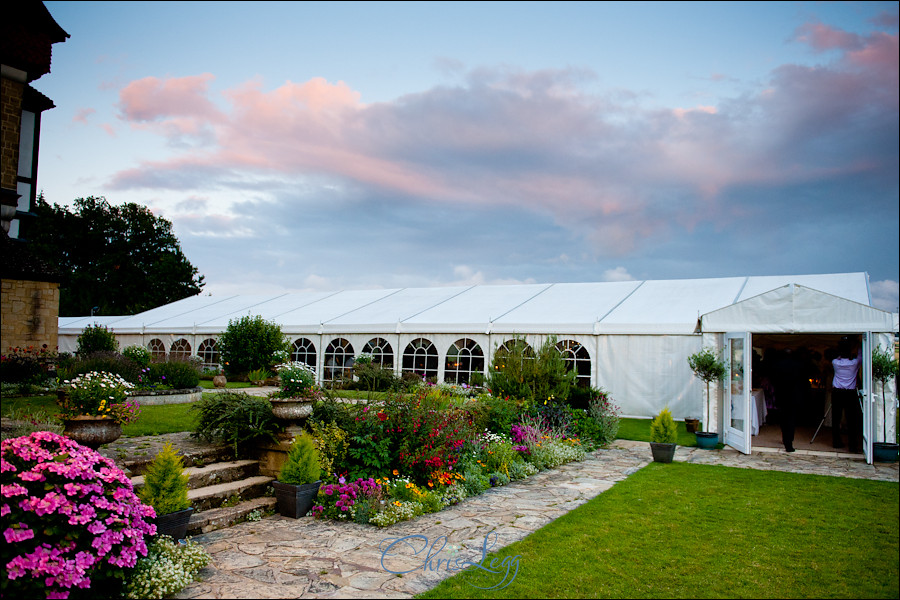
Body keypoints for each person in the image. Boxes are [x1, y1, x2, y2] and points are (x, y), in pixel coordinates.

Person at [831, 337, 862, 453]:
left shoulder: (835, 363)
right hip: (850, 392)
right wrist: (858, 345)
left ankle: (836, 441)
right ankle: (852, 445)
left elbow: (836, 357)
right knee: (851, 419)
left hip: (837, 392)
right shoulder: (854, 363)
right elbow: (860, 357)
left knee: (836, 418)